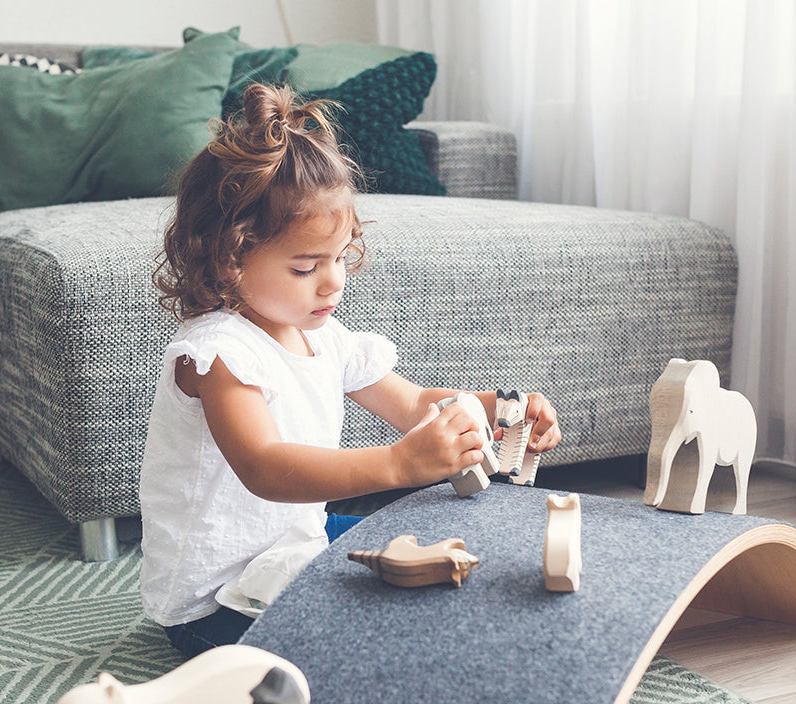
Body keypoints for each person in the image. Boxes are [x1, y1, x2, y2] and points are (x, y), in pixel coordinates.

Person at [139, 83, 561, 658]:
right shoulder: (220, 354)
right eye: (306, 266)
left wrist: (504, 408)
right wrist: (396, 464)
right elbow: (263, 467)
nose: (333, 280)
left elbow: (412, 404)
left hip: (295, 548)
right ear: (228, 257)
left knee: (446, 560)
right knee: (377, 640)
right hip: (216, 603)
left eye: (339, 257)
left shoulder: (323, 333)